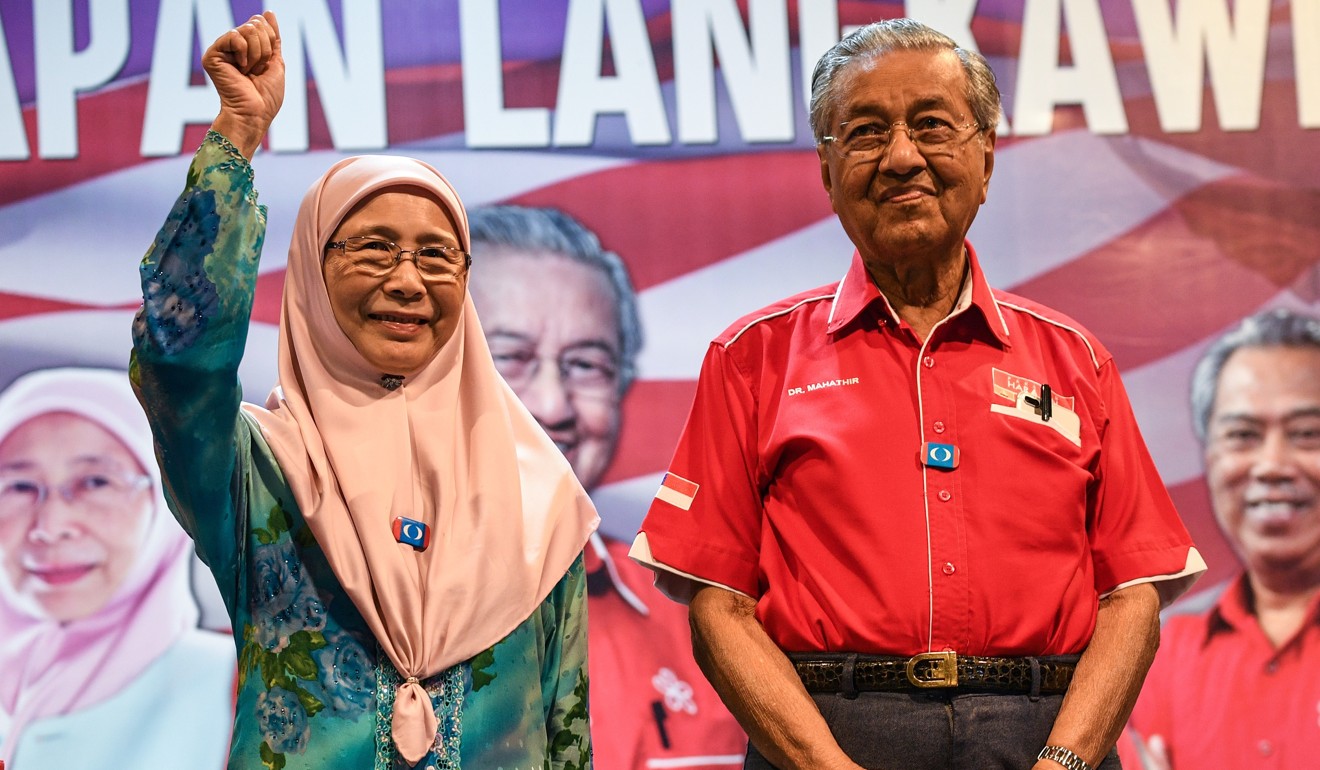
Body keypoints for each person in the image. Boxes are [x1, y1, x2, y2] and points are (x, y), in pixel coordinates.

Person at [629, 18, 1206, 770]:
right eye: (866, 132)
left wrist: (1066, 762)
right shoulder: (752, 358)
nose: (903, 157)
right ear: (828, 173)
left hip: (1047, 733)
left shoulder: (1075, 360)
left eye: (933, 125)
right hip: (825, 734)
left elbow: (1132, 593)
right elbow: (718, 603)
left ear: (987, 155)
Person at [130, 12, 597, 769]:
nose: (408, 282)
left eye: (437, 256)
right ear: (314, 269)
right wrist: (236, 136)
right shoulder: (258, 472)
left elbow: (567, 732)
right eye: (375, 247)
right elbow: (177, 361)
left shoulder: (537, 493)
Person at [468, 206, 747, 769]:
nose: (552, 405)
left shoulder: (704, 623)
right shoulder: (350, 602)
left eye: (586, 365)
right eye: (510, 358)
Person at [0, 367, 233, 769]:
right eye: (19, 486)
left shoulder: (248, 687)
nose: (51, 527)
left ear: (164, 504)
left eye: (95, 482)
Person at [1125, 308, 1320, 769]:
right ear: (1208, 458)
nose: (1272, 464)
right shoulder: (1162, 661)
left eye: (1308, 433)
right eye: (1243, 435)